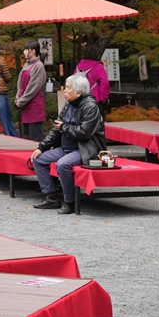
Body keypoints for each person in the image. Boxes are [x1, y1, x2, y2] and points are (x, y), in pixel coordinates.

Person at [30, 74, 108, 215]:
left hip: (85, 149)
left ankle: (70, 202)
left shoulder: (91, 107)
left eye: (68, 87)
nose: (64, 90)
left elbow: (84, 133)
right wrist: (42, 147)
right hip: (66, 148)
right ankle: (51, 197)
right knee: (38, 159)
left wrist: (63, 127)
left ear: (78, 92)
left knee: (62, 164)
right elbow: (56, 129)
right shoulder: (68, 104)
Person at [15, 41, 47, 141]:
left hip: (35, 106)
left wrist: (21, 101)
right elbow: (19, 84)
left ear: (33, 51)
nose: (24, 52)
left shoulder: (39, 66)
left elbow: (33, 87)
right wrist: (18, 98)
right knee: (26, 137)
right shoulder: (26, 65)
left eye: (26, 50)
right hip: (25, 106)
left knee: (35, 138)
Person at [74, 41, 110, 116]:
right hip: (95, 97)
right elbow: (104, 82)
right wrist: (104, 96)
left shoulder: (78, 66)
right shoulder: (98, 67)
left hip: (80, 97)